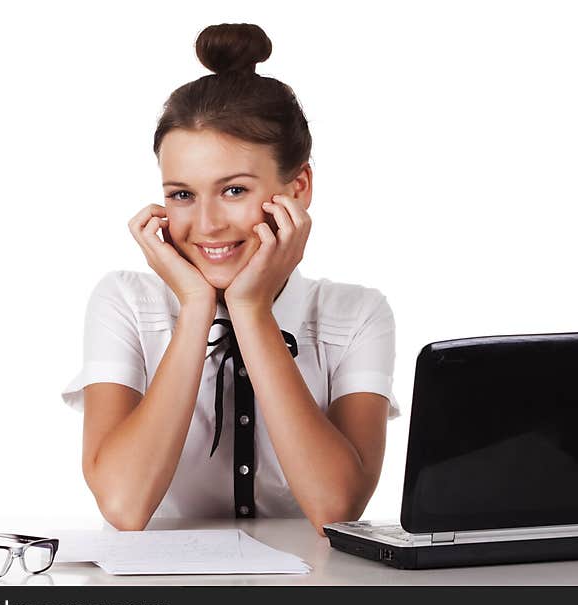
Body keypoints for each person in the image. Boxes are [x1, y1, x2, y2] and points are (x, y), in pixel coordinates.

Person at [61, 23, 401, 536]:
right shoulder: (124, 302)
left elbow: (336, 509)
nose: (207, 224)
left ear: (299, 186)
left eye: (234, 190)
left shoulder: (357, 315)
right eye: (181, 195)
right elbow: (125, 506)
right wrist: (196, 305)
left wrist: (251, 310)